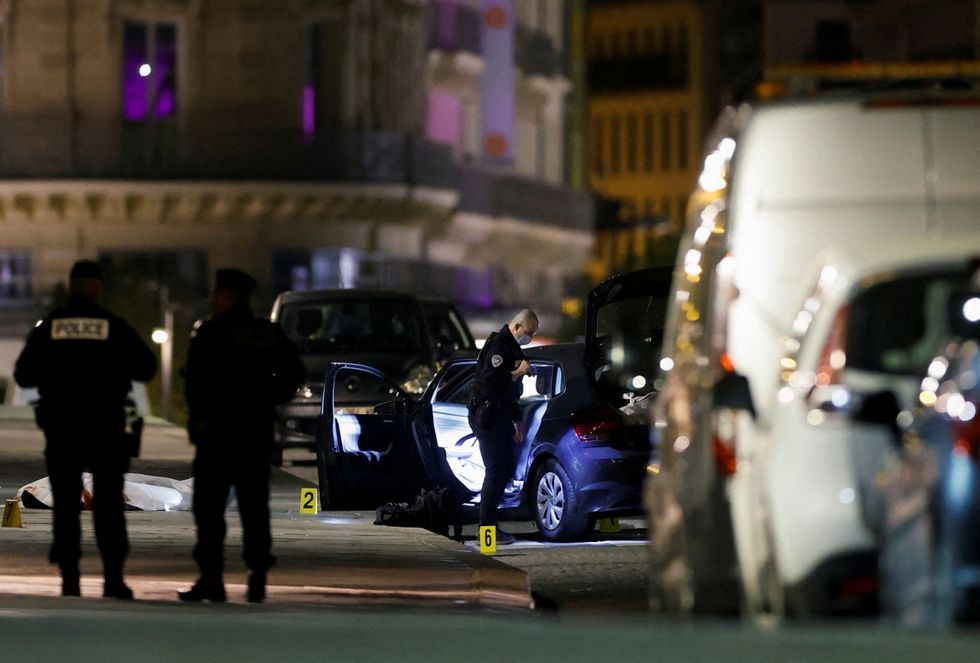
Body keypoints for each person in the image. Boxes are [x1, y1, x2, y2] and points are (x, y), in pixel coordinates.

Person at [14, 260, 157, 599]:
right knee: (108, 507)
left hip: (62, 430)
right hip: (105, 429)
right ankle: (113, 579)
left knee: (66, 507)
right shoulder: (112, 326)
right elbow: (146, 367)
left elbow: (24, 374)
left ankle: (70, 579)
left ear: (72, 286)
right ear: (96, 288)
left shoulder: (51, 327)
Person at [179, 268, 304, 603]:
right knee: (254, 508)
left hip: (216, 434)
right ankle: (257, 576)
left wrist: (198, 421)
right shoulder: (265, 333)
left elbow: (194, 383)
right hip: (254, 432)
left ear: (225, 296)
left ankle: (211, 579)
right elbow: (294, 373)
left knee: (209, 508)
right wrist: (271, 399)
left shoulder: (210, 332)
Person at [467, 309, 539, 545]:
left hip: (501, 415)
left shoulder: (512, 348)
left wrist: (516, 420)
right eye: (528, 332)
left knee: (504, 469)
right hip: (488, 416)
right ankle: (486, 529)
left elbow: (511, 393)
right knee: (496, 470)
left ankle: (491, 525)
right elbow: (490, 383)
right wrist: (517, 372)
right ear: (517, 327)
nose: (529, 337)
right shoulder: (499, 346)